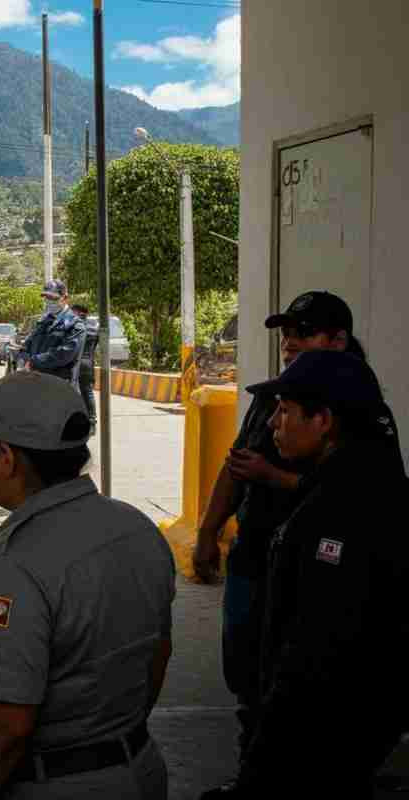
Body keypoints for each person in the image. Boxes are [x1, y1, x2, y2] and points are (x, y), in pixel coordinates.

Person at [0, 371, 175, 799]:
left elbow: (6, 726)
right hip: (139, 767)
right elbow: (158, 654)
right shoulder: (136, 527)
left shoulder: (16, 566)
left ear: (5, 456)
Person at [192, 291, 401, 787]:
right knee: (255, 673)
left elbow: (319, 650)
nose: (288, 344)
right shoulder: (284, 397)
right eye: (286, 335)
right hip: (266, 554)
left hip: (312, 578)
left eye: (301, 334)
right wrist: (208, 531)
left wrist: (277, 478)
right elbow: (237, 464)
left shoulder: (360, 426)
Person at [18, 280, 86, 385]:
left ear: (65, 298)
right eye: (46, 297)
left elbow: (64, 355)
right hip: (35, 382)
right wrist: (25, 359)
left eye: (53, 298)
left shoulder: (75, 325)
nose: (49, 301)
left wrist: (33, 362)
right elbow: (27, 345)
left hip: (59, 387)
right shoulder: (43, 322)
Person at [70, 304, 99, 429]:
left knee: (72, 391)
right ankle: (92, 420)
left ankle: (75, 420)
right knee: (88, 391)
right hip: (88, 363)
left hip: (76, 362)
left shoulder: (75, 326)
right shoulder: (94, 327)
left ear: (77, 312)